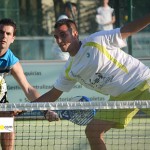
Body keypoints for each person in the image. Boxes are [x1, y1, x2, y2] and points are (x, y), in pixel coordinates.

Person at [33, 13, 150, 150]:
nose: (59, 40)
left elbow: (128, 29)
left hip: (143, 82)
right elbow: (52, 95)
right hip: (120, 98)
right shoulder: (69, 69)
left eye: (63, 35)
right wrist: (21, 109)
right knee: (93, 132)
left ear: (75, 34)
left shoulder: (97, 40)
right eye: (56, 37)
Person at [0, 18, 58, 150]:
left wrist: (45, 110)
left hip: (1, 106)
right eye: (1, 32)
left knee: (6, 120)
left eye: (8, 34)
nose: (4, 36)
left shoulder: (10, 59)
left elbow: (28, 88)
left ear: (13, 38)